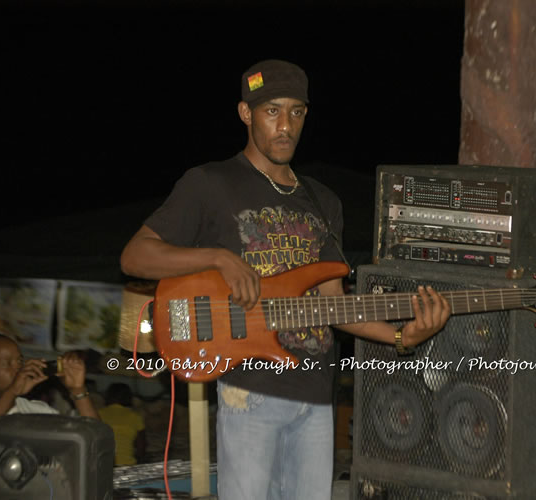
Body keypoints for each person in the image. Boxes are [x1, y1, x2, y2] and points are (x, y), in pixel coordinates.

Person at [120, 59, 451, 500]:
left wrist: (403, 338)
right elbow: (135, 255)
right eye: (272, 111)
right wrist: (219, 257)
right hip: (250, 388)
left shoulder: (323, 200)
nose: (285, 125)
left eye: (296, 112)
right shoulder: (210, 183)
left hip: (316, 393)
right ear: (245, 113)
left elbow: (335, 302)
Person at [0, 333, 99, 423]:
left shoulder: (36, 411)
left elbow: (97, 441)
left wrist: (78, 390)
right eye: (7, 363)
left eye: (19, 361)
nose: (18, 368)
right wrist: (12, 391)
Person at [98, 382, 146, 465]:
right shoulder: (135, 416)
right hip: (127, 464)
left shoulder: (97, 414)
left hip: (103, 465)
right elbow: (141, 446)